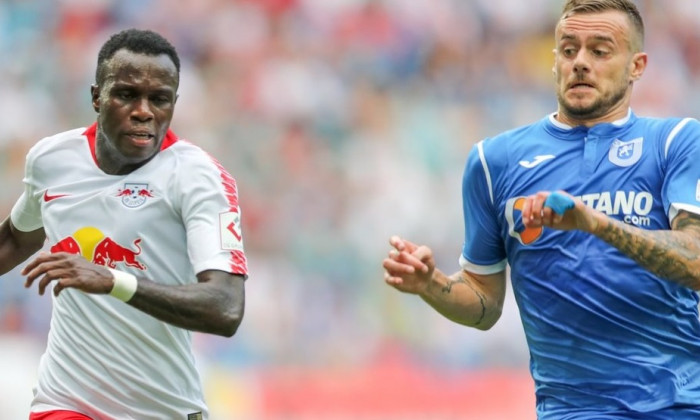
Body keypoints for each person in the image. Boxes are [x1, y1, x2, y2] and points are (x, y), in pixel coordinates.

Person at [383, 0, 700, 418]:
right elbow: (484, 305)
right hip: (571, 410)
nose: (581, 63)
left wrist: (595, 224)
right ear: (554, 61)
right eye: (569, 50)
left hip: (679, 405)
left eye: (600, 51)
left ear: (636, 65)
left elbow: (695, 262)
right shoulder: (493, 161)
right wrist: (432, 284)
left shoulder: (675, 141)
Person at [0, 28, 248, 420]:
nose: (144, 111)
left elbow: (226, 308)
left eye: (159, 99)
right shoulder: (52, 160)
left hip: (162, 409)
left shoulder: (198, 177)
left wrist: (112, 281)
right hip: (67, 401)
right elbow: (14, 239)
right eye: (128, 94)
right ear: (97, 96)